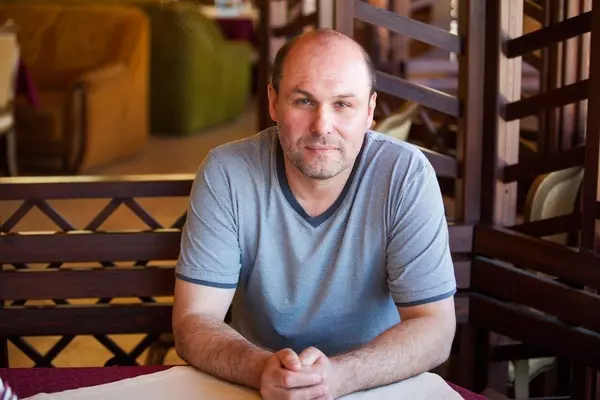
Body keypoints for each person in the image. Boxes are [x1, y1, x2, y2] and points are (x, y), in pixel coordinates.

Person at [172, 28, 456, 400]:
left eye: (343, 104)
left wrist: (337, 377)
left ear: (370, 111)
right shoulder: (228, 172)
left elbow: (435, 327)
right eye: (304, 101)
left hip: (373, 386)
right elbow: (194, 319)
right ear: (273, 102)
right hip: (256, 387)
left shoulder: (404, 175)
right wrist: (262, 369)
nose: (322, 126)